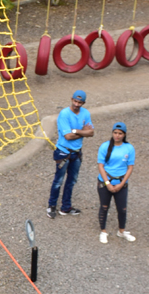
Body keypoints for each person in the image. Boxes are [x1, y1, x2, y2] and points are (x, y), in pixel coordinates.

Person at [46, 90, 94, 219]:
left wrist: (76, 131)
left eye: (80, 102)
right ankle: (51, 206)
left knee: (71, 181)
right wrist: (83, 131)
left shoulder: (85, 113)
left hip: (76, 153)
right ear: (71, 99)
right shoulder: (64, 114)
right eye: (75, 101)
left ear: (83, 102)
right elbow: (67, 136)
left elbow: (91, 133)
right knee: (58, 181)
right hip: (63, 152)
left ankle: (65, 207)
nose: (77, 104)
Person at [97, 122, 136, 244]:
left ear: (124, 134)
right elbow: (101, 166)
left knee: (122, 208)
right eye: (115, 133)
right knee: (104, 207)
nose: (117, 136)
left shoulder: (129, 148)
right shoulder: (105, 146)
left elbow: (130, 167)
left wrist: (122, 183)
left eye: (120, 133)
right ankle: (103, 231)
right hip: (105, 182)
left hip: (121, 183)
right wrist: (108, 183)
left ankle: (122, 231)